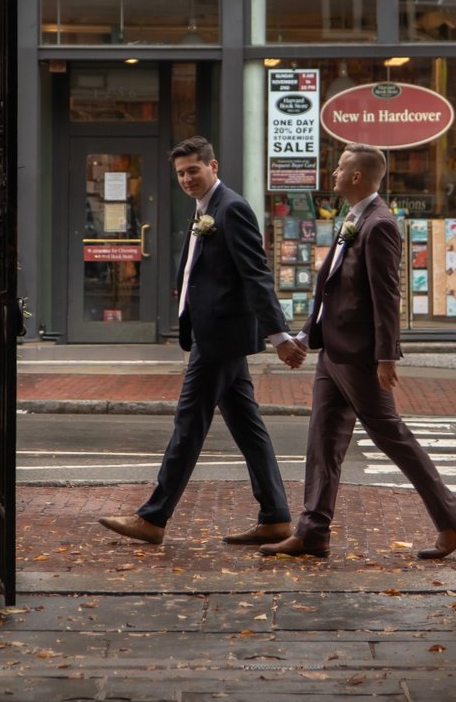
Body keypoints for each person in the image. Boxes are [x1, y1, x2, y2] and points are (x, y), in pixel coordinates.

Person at [260, 143, 456, 561]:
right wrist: (308, 335)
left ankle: (453, 520)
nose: (334, 173)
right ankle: (312, 532)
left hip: (359, 355)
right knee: (323, 440)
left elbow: (386, 295)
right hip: (333, 352)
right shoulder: (353, 217)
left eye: (340, 167)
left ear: (357, 176)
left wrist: (385, 357)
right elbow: (331, 287)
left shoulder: (380, 225)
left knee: (391, 435)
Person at [99, 135, 304, 547]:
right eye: (181, 173)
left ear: (214, 166)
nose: (187, 178)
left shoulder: (232, 208)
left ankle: (154, 517)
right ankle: (276, 516)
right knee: (248, 427)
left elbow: (257, 274)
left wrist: (279, 335)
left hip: (221, 338)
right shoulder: (205, 209)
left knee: (189, 424)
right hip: (214, 334)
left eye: (194, 169)